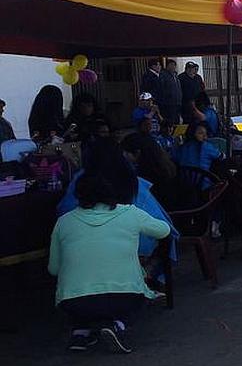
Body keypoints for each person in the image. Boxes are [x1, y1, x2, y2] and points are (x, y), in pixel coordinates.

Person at [49, 171, 171, 353]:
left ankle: (80, 332)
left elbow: (54, 269)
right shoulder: (130, 213)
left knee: (83, 300)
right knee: (140, 296)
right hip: (124, 296)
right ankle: (117, 325)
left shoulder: (64, 222)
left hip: (72, 301)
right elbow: (164, 230)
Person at [57, 138, 178, 266]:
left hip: (88, 254)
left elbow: (64, 210)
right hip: (134, 252)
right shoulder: (131, 180)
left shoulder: (81, 180)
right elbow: (162, 227)